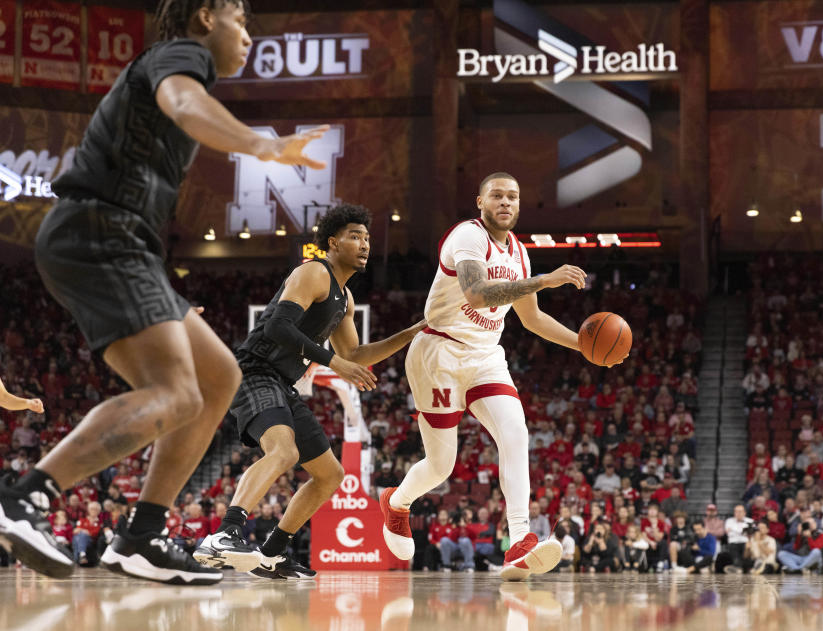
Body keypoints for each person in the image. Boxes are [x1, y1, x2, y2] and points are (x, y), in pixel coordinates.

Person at [0, 0, 340, 584]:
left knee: (217, 379)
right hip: (101, 233)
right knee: (176, 392)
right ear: (206, 16)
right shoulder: (181, 56)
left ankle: (141, 536)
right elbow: (184, 104)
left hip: (119, 242)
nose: (249, 35)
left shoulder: (172, 63)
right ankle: (24, 498)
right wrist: (265, 147)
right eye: (241, 20)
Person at [379, 172, 590, 581]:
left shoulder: (520, 255)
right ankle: (397, 502)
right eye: (497, 196)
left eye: (512, 196)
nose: (505, 202)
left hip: (485, 355)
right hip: (437, 351)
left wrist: (582, 346)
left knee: (515, 431)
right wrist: (546, 280)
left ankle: (520, 542)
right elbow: (476, 293)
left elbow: (532, 319)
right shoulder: (467, 237)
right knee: (441, 466)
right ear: (480, 201)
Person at [194, 205, 424, 579]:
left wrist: (411, 332)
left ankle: (273, 553)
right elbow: (278, 329)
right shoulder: (313, 272)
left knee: (330, 474)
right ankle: (224, 535)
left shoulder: (346, 298)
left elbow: (355, 354)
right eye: (355, 236)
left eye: (367, 237)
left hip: (283, 383)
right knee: (283, 452)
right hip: (255, 372)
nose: (364, 244)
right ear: (333, 243)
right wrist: (334, 364)